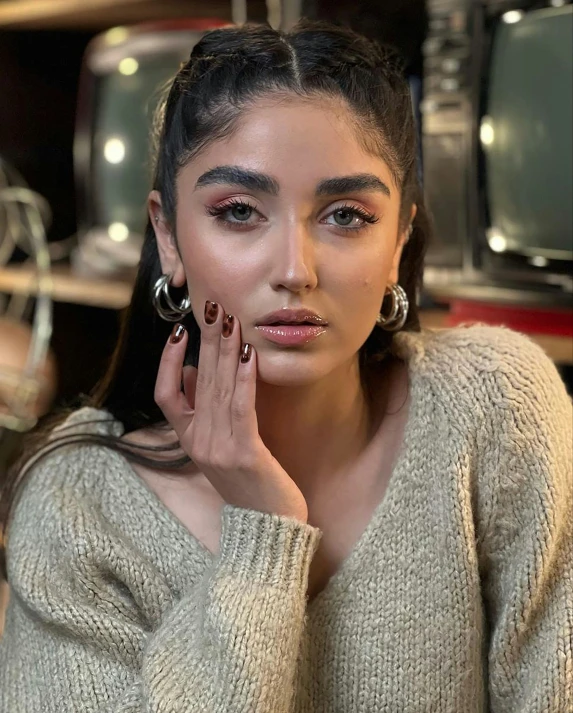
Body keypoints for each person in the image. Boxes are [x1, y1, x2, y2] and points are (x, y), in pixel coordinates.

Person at [0, 19, 571, 713]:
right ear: (168, 235)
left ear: (398, 241)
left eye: (346, 216)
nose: (295, 271)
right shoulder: (75, 502)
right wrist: (261, 531)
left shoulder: (495, 405)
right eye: (239, 210)